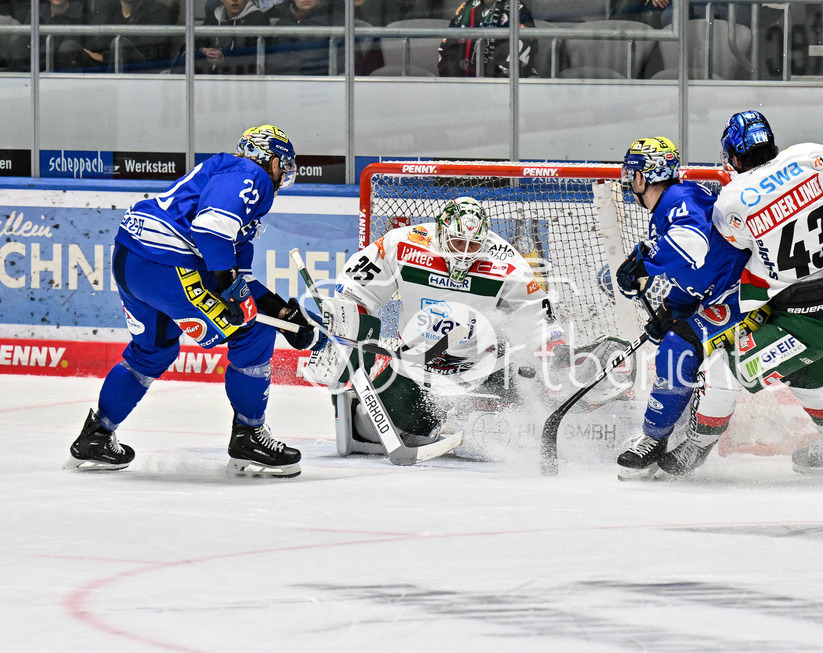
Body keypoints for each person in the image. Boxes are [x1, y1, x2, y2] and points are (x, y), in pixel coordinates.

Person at [67, 125, 324, 478]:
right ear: (273, 160)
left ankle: (96, 437)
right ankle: (249, 436)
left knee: (153, 351)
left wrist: (281, 311)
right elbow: (211, 232)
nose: (283, 178)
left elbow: (238, 277)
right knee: (252, 333)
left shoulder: (225, 173)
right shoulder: (253, 174)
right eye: (284, 167)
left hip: (131, 257)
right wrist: (238, 295)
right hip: (166, 263)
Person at [657, 110, 823, 477]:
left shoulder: (733, 198)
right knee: (809, 378)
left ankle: (697, 446)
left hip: (801, 321)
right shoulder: (804, 158)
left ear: (734, 156)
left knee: (724, 372)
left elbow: (734, 249)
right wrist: (815, 163)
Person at [303, 196, 571, 458]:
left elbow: (537, 319)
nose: (465, 253)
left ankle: (462, 419)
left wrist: (553, 349)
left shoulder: (506, 262)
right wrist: (347, 324)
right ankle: (372, 403)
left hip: (483, 366)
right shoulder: (403, 244)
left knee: (509, 438)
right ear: (441, 233)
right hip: (417, 367)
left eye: (473, 245)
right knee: (369, 433)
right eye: (457, 242)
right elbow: (354, 289)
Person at [613, 136, 757, 480]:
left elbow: (692, 247)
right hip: (719, 295)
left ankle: (655, 439)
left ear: (643, 177)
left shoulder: (679, 198)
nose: (627, 179)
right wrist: (673, 308)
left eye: (631, 172)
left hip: (741, 297)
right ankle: (670, 431)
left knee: (678, 348)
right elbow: (696, 269)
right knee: (673, 340)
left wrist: (644, 265)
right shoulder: (672, 203)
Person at [438, 0, 537, 78]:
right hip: (466, 86)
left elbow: (525, 44)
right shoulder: (466, 8)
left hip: (504, 88)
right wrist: (453, 80)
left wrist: (492, 82)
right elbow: (448, 48)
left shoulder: (517, 8)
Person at [85, 0, 177, 72]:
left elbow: (149, 52)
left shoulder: (158, 12)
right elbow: (94, 43)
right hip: (103, 68)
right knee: (71, 47)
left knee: (120, 45)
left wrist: (106, 57)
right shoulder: (106, 10)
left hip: (140, 73)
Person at [193, 0, 270, 75]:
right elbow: (189, 47)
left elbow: (255, 59)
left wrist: (224, 61)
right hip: (212, 79)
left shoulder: (259, 19)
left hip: (244, 80)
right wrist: (203, 51)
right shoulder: (213, 17)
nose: (234, 0)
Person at [267, 0, 335, 75]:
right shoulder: (282, 22)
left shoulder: (331, 20)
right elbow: (271, 57)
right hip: (281, 80)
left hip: (317, 80)